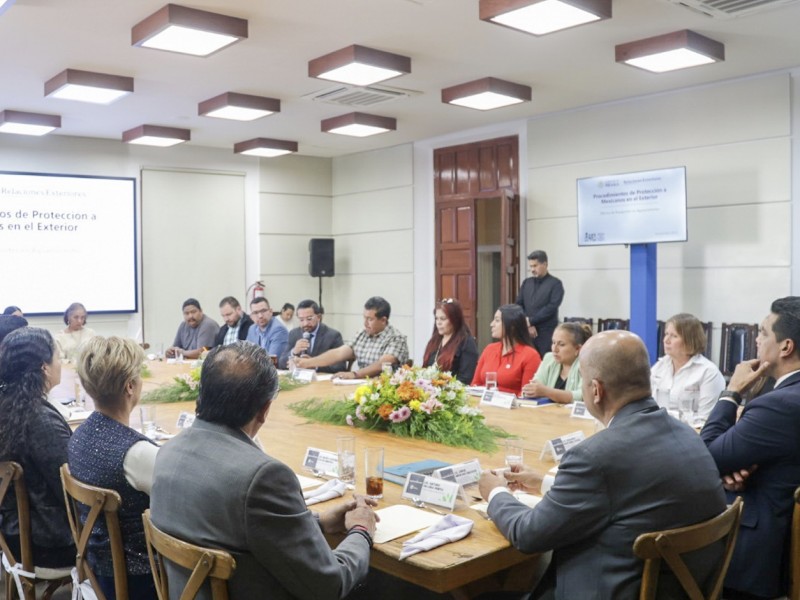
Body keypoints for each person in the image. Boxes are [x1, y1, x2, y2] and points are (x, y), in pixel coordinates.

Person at [479, 330, 728, 599]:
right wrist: (544, 483)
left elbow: (528, 535)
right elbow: (627, 492)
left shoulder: (594, 456)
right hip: (681, 589)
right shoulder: (688, 435)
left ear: (596, 390)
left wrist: (495, 492)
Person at [150, 342, 377, 599]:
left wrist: (316, 522)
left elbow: (231, 525)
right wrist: (361, 531)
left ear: (201, 395)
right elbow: (330, 585)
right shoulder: (263, 477)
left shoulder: (167, 452)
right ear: (264, 410)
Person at [701, 296, 800, 599]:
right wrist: (727, 467)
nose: (756, 340)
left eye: (763, 333)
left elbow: (704, 457)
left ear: (786, 346)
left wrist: (732, 392)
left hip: (760, 550)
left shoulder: (779, 404)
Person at [68, 336, 158, 600]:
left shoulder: (78, 436)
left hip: (97, 567)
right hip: (142, 578)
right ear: (130, 386)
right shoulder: (138, 455)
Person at [0, 327, 75, 568]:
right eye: (58, 357)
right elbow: (71, 490)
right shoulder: (40, 421)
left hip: (13, 531)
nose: (60, 363)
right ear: (45, 368)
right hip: (46, 541)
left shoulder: (9, 405)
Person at [295, 296, 409, 379]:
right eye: (364, 318)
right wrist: (308, 362)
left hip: (384, 389)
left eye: (370, 319)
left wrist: (355, 374)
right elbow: (339, 353)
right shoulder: (362, 333)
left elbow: (382, 365)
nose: (365, 323)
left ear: (383, 320)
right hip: (360, 385)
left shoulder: (396, 338)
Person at [651, 313, 724, 422]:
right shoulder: (659, 366)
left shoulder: (708, 372)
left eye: (674, 336)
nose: (666, 340)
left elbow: (706, 418)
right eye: (666, 334)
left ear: (690, 340)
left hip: (690, 430)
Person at [471, 304, 541, 396]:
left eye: (497, 320)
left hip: (512, 403)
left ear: (512, 325)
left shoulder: (530, 355)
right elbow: (475, 385)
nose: (492, 324)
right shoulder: (489, 349)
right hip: (483, 402)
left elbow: (526, 394)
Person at [521, 321, 592, 404]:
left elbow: (583, 396)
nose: (554, 349)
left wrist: (547, 392)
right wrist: (530, 391)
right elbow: (535, 386)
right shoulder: (549, 359)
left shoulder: (586, 363)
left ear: (578, 349)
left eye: (561, 344)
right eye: (553, 343)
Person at [516, 250, 565, 359]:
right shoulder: (526, 283)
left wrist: (531, 321)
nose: (532, 269)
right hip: (527, 332)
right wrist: (528, 324)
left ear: (545, 264)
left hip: (546, 332)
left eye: (535, 266)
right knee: (527, 360)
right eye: (530, 266)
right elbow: (519, 305)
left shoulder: (555, 284)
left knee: (545, 361)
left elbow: (552, 307)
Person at [278, 299, 346, 372]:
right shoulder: (294, 334)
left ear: (318, 317)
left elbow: (340, 367)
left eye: (309, 319)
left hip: (321, 378)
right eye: (301, 320)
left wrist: (314, 365)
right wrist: (294, 351)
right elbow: (281, 364)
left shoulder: (333, 336)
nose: (305, 323)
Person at [421, 299, 478, 385]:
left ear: (454, 320)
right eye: (437, 319)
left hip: (453, 390)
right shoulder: (435, 340)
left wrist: (443, 386)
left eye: (443, 319)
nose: (438, 323)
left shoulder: (466, 343)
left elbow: (465, 379)